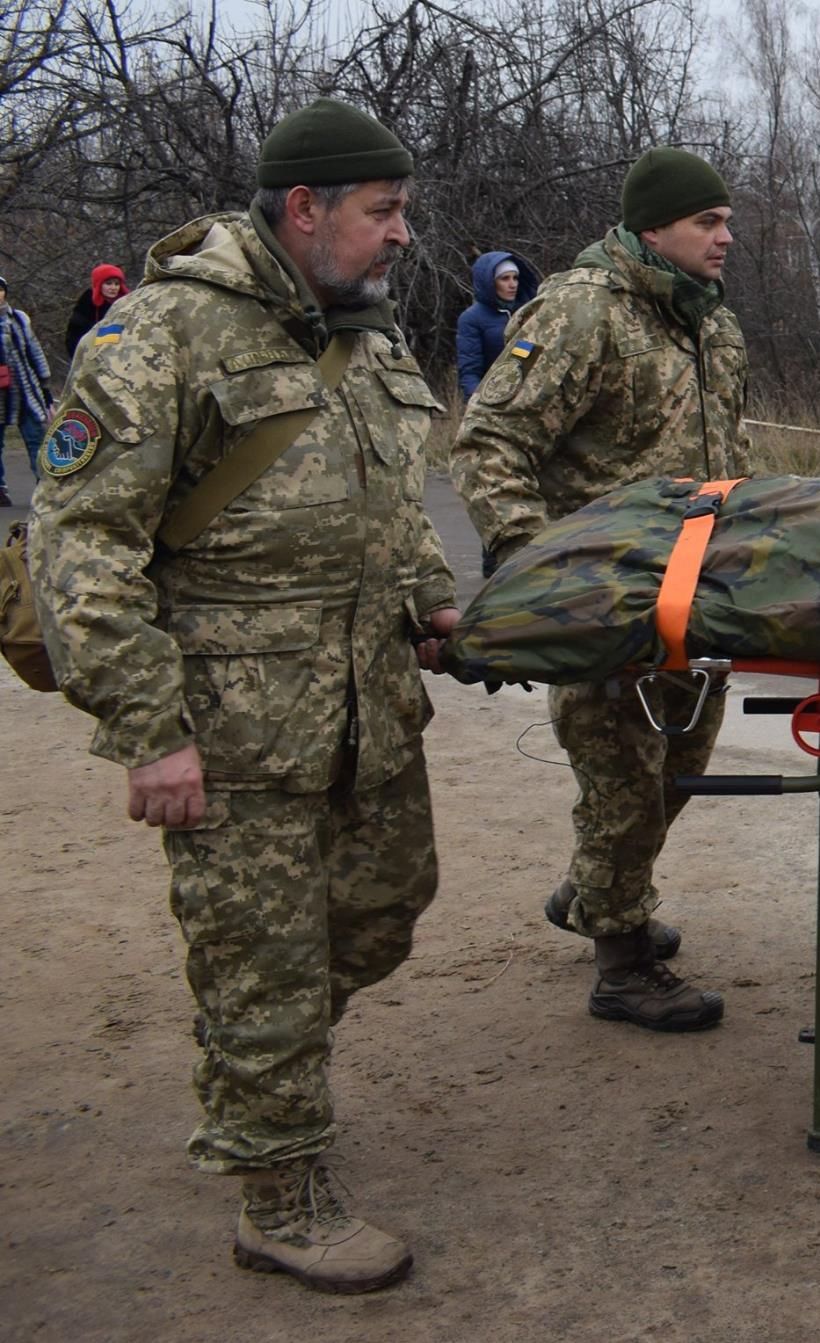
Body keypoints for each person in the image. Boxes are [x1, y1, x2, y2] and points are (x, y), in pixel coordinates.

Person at [28, 97, 459, 1293]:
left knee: (385, 904)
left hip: (367, 712)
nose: (403, 234)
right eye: (383, 211)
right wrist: (149, 733)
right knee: (261, 960)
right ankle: (280, 1190)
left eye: (405, 210)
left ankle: (257, 1077)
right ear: (305, 209)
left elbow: (394, 508)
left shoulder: (366, 339)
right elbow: (82, 548)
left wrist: (435, 601)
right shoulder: (157, 336)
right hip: (234, 736)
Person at [451, 146, 750, 1033]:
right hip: (609, 601)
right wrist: (535, 562)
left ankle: (595, 892)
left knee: (677, 771)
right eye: (708, 221)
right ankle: (620, 963)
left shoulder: (713, 325)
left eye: (727, 220)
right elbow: (491, 440)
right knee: (621, 777)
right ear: (653, 228)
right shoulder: (584, 312)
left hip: (698, 600)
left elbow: (728, 457)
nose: (726, 236)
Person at [454, 250, 538, 398]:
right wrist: (476, 405)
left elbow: (529, 355)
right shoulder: (471, 318)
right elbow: (470, 369)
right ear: (490, 282)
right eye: (505, 278)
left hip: (530, 397)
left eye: (515, 278)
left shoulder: (528, 312)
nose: (512, 284)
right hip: (493, 398)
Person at [0, 275, 54, 506]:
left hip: (24, 390)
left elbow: (34, 351)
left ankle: (46, 487)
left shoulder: (19, 319)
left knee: (36, 439)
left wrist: (45, 384)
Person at [65, 264, 130, 356]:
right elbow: (74, 336)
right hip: (92, 356)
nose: (113, 288)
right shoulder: (86, 305)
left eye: (117, 284)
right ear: (99, 284)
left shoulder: (127, 305)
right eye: (108, 283)